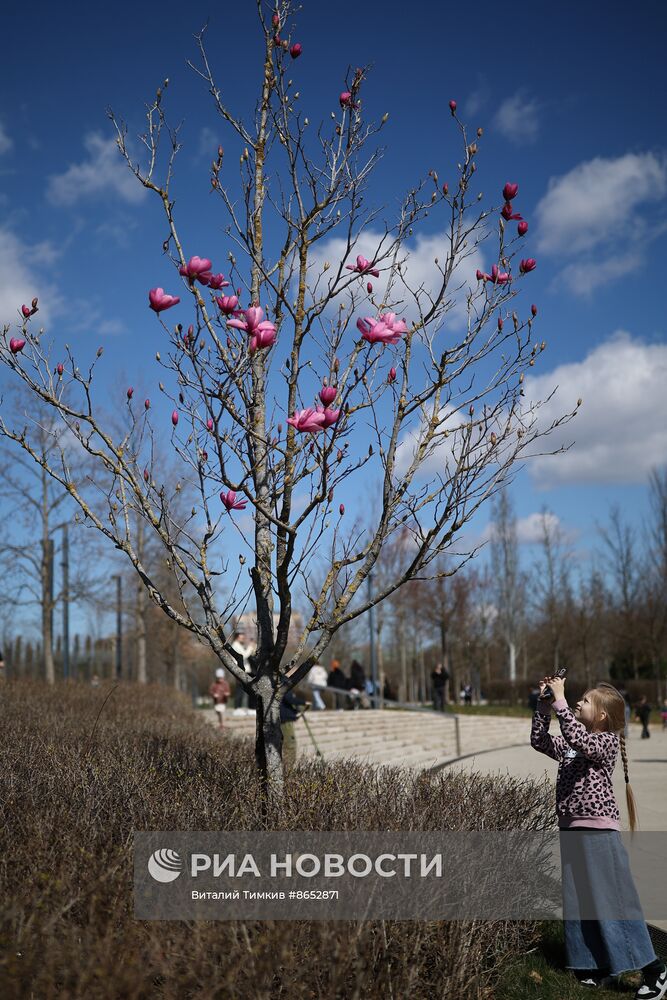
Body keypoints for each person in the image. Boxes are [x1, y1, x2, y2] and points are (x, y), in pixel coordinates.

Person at [530, 674, 667, 995]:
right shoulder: (570, 743)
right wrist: (543, 704)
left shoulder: (602, 743)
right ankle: (591, 964)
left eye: (586, 701)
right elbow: (539, 740)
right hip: (571, 828)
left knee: (613, 901)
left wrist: (561, 702)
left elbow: (581, 740)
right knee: (579, 902)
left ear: (603, 716)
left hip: (597, 831)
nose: (578, 701)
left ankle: (654, 971)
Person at [280, 688, 310, 773]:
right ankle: (288, 770)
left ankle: (287, 769)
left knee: (288, 745)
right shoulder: (284, 683)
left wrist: (296, 713)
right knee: (290, 746)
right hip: (285, 722)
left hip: (285, 720)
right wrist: (303, 702)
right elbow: (290, 699)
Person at [231, 630, 255, 716]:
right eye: (242, 636)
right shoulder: (235, 645)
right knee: (240, 689)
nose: (243, 638)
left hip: (245, 670)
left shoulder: (239, 645)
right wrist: (250, 647)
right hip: (240, 670)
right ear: (237, 637)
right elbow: (243, 655)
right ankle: (237, 709)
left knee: (246, 689)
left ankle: (248, 708)